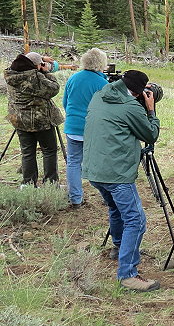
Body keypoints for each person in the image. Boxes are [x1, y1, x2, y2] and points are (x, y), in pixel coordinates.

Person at [82, 70, 160, 292]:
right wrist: (151, 110)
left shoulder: (100, 95)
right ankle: (127, 274)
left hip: (94, 170)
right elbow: (150, 135)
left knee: (116, 210)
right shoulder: (131, 106)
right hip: (115, 174)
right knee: (136, 220)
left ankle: (119, 248)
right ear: (137, 92)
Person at [4, 52, 64, 187]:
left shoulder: (12, 74)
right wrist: (46, 72)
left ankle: (28, 184)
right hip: (40, 121)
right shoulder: (34, 77)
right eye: (40, 64)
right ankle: (50, 184)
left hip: (19, 120)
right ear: (35, 66)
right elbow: (54, 89)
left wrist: (40, 59)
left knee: (27, 152)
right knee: (49, 150)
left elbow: (24, 61)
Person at [62, 48, 108, 208]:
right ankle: (107, 197)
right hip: (93, 130)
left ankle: (75, 198)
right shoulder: (102, 83)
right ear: (102, 64)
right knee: (99, 163)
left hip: (73, 128)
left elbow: (65, 103)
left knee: (73, 162)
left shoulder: (73, 78)